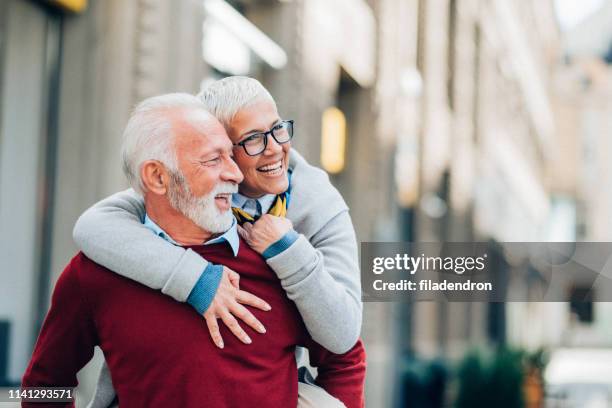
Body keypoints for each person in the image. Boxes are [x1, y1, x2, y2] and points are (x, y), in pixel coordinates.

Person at [22, 94, 366, 407]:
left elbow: (344, 354)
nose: (235, 174)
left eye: (231, 155)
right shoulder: (94, 275)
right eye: (213, 160)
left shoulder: (279, 260)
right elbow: (44, 385)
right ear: (157, 178)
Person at [74, 78, 361, 351]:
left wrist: (287, 249)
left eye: (278, 129)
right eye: (253, 139)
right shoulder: (190, 195)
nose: (275, 148)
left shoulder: (319, 202)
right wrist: (198, 280)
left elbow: (344, 337)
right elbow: (93, 226)